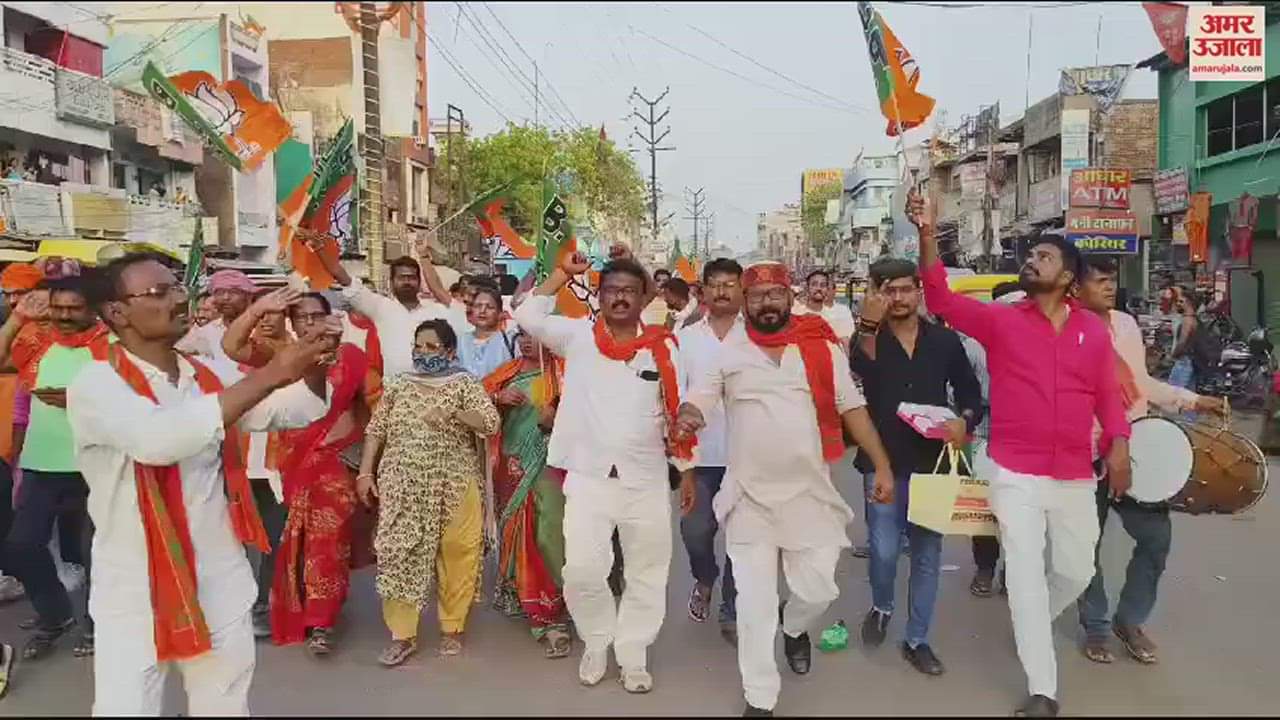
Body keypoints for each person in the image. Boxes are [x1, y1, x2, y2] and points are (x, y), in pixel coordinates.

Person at [68, 252, 338, 716]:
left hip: (219, 578)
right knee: (126, 708)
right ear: (117, 313)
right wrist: (276, 371)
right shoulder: (96, 384)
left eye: (178, 287)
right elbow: (159, 439)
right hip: (135, 587)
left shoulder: (205, 377)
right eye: (159, 293)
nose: (179, 299)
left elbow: (293, 409)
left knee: (224, 705)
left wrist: (312, 359)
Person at [913, 189, 1131, 718]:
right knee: (1027, 575)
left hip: (1077, 473)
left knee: (1077, 571)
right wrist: (926, 233)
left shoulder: (1092, 333)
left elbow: (1107, 395)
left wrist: (1119, 446)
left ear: (1068, 279)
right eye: (1030, 255)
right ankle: (1044, 688)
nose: (1031, 260)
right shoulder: (1002, 320)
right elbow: (940, 300)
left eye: (1043, 256)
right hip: (1013, 471)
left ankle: (1029, 620)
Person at [675, 261, 894, 717]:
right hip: (748, 498)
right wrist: (690, 415)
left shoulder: (817, 347)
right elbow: (699, 397)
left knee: (818, 591)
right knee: (753, 608)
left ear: (788, 296)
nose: (767, 302)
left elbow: (851, 408)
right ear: (745, 302)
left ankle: (794, 627)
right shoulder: (728, 352)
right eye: (757, 296)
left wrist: (882, 466)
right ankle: (760, 699)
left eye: (775, 293)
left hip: (808, 494)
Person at [514, 246, 692, 694]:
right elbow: (527, 316)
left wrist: (686, 471)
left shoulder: (662, 347)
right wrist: (560, 274)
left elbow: (677, 411)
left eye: (629, 291)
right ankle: (597, 640)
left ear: (642, 298)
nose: (619, 298)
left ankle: (633, 654)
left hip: (646, 479)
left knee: (647, 571)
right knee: (584, 570)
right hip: (590, 477)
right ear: (600, 295)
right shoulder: (577, 337)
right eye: (611, 290)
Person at [1073, 258, 1225, 666]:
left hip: (1134, 448)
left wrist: (1192, 400)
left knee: (1156, 540)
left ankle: (1131, 620)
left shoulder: (1125, 325)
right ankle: (1097, 626)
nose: (1109, 288)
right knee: (1086, 547)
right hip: (1084, 456)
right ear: (1075, 288)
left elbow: (1140, 384)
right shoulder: (1064, 328)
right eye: (1100, 281)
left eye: (1112, 281)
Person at [850, 257, 983, 677]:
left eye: (906, 289)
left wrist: (965, 420)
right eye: (888, 290)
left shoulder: (944, 341)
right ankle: (882, 604)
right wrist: (867, 325)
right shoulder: (865, 339)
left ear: (918, 292)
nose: (898, 298)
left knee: (926, 553)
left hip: (933, 465)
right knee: (885, 550)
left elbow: (970, 393)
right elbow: (860, 367)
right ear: (875, 294)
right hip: (882, 461)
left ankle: (917, 639)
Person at [356, 319, 499, 667]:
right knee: (399, 553)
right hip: (403, 484)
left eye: (431, 347)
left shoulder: (463, 383)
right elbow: (377, 429)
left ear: (449, 352)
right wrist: (365, 472)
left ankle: (452, 627)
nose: (422, 353)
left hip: (455, 483)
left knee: (458, 552)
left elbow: (491, 422)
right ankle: (402, 636)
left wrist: (457, 412)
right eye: (418, 346)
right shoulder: (399, 384)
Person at [2, 275, 109, 660]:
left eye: (73, 308)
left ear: (93, 309)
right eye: (57, 307)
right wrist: (16, 320)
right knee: (22, 545)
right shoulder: (37, 341)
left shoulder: (111, 347)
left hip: (96, 463)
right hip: (40, 463)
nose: (63, 315)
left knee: (95, 551)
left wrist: (79, 399)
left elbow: (134, 398)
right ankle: (56, 614)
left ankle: (98, 625)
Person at [483, 330, 572, 659]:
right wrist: (497, 399)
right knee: (519, 535)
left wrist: (557, 415)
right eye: (521, 335)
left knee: (550, 533)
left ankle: (555, 605)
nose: (527, 341)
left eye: (536, 335)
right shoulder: (504, 374)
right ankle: (540, 614)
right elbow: (475, 409)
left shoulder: (566, 373)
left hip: (554, 466)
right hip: (512, 466)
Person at [675, 258, 743, 644]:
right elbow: (675, 397)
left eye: (729, 284)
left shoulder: (756, 337)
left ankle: (732, 609)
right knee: (695, 530)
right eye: (714, 284)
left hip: (745, 458)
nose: (722, 291)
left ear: (741, 290)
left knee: (742, 537)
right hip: (699, 459)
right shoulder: (686, 339)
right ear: (702, 291)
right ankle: (704, 577)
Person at [218, 288, 292, 639]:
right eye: (258, 314)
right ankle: (235, 605)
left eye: (272, 314)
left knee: (277, 538)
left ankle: (267, 604)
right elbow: (230, 345)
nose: (265, 321)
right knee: (235, 538)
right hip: (241, 461)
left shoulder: (296, 352)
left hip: (282, 464)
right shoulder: (248, 351)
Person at [308, 236, 466, 377]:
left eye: (411, 278)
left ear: (419, 282)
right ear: (391, 283)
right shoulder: (381, 307)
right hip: (394, 394)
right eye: (401, 278)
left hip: (433, 392)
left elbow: (440, 292)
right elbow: (343, 278)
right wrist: (319, 248)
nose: (406, 282)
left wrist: (424, 256)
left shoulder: (436, 311)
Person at [965, 281, 1025, 598]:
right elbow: (959, 392)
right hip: (985, 432)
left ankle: (1012, 572)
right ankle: (985, 568)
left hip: (1026, 435)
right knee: (983, 509)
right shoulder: (974, 345)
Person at [177, 269, 256, 366]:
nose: (226, 297)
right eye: (220, 293)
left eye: (234, 292)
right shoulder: (206, 332)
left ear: (248, 297)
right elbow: (178, 352)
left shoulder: (263, 329)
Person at [458, 286, 518, 378]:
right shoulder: (460, 341)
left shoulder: (511, 341)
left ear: (500, 313)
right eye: (478, 306)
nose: (482, 311)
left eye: (489, 307)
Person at [794, 269, 856, 347]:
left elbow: (845, 343)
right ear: (807, 288)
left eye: (822, 285)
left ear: (827, 289)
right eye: (814, 284)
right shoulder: (795, 313)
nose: (818, 288)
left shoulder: (834, 318)